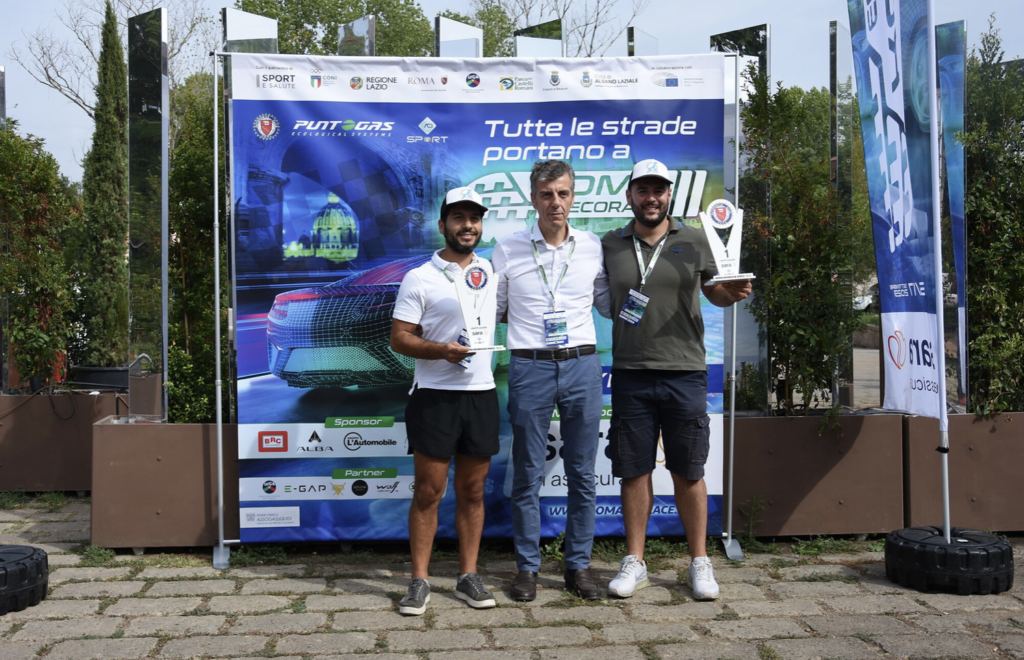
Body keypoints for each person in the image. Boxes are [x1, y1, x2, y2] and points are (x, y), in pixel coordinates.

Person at [599, 159, 751, 600]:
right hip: (630, 372)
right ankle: (635, 562)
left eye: (658, 190)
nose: (651, 198)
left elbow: (715, 292)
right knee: (633, 469)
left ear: (669, 195)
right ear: (630, 196)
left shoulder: (696, 239)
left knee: (689, 469)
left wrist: (732, 293)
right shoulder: (611, 243)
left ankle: (699, 562)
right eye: (642, 190)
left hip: (685, 371)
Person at [492, 160, 609, 601]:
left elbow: (606, 304)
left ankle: (578, 566)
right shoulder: (507, 249)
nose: (555, 202)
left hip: (582, 365)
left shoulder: (593, 246)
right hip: (530, 366)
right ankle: (527, 568)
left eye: (562, 193)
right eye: (546, 194)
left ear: (572, 197)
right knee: (527, 473)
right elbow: (494, 309)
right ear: (533, 198)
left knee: (582, 474)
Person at [390, 187, 501, 616]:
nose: (467, 226)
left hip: (481, 395)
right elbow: (399, 339)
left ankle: (468, 575)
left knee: (473, 491)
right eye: (458, 218)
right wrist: (441, 351)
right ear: (443, 225)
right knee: (428, 492)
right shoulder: (420, 276)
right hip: (434, 397)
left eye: (474, 218)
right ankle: (419, 580)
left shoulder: (491, 270)